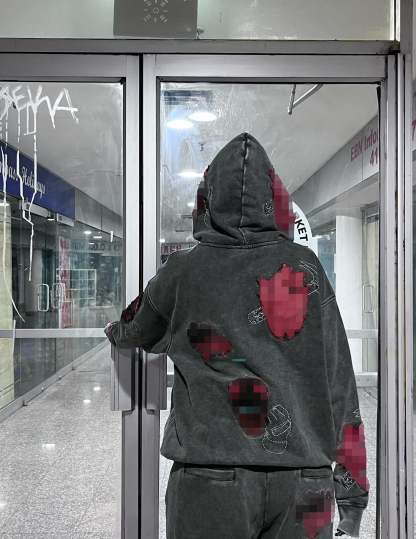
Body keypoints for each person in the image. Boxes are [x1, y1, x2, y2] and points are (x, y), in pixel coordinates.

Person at [105, 133, 369, 538]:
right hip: (305, 484)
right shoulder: (307, 267)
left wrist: (115, 330)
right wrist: (351, 497)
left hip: (209, 480)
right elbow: (340, 383)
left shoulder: (184, 271)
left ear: (206, 200)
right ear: (276, 199)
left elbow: (134, 327)